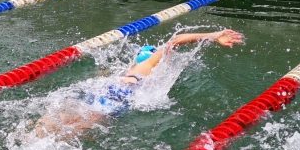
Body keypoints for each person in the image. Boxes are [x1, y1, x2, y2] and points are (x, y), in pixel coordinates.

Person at [33, 29, 245, 139]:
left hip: (99, 93)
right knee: (76, 130)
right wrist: (214, 36)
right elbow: (176, 40)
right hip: (116, 101)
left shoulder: (128, 69)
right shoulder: (149, 67)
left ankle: (29, 140)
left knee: (57, 120)